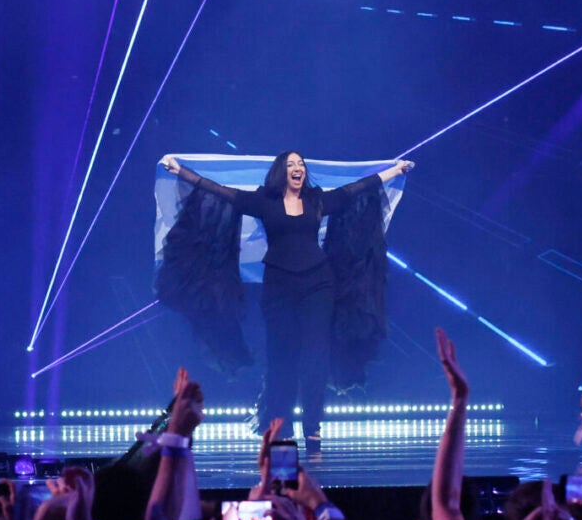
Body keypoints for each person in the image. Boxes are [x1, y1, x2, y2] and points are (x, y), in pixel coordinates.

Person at [159, 151, 413, 449]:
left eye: (301, 164)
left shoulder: (317, 200)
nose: (298, 168)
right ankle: (282, 425)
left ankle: (313, 427)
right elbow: (219, 191)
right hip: (279, 286)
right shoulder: (264, 202)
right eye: (291, 165)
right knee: (282, 358)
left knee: (315, 356)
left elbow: (356, 189)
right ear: (282, 172)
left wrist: (395, 171)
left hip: (319, 284)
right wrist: (180, 171)